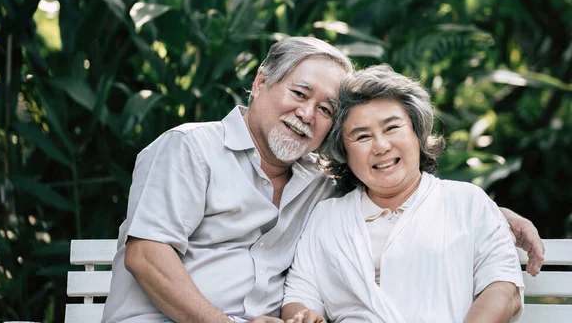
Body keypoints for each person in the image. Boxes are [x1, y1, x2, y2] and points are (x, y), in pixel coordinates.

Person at [102, 38, 543, 323]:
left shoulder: (315, 182)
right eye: (298, 93)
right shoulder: (190, 148)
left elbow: (400, 190)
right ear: (259, 83)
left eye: (327, 109)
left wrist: (490, 212)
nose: (307, 115)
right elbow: (147, 255)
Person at [282, 65, 525, 323]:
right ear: (344, 152)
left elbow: (503, 288)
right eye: (362, 136)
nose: (382, 146)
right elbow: (301, 293)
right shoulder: (326, 217)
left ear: (417, 132)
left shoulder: (468, 202)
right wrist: (304, 316)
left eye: (392, 128)